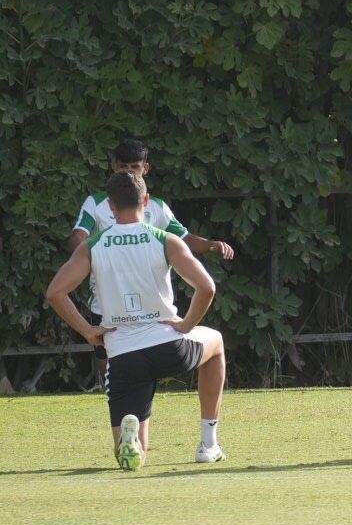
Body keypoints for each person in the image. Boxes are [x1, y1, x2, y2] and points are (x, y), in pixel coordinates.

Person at [45, 171, 228, 470]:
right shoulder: (165, 239)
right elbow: (207, 288)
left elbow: (55, 293)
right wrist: (186, 325)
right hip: (169, 346)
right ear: (146, 201)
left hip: (123, 355)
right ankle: (208, 445)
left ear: (110, 206)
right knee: (216, 342)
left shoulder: (93, 245)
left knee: (130, 459)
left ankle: (131, 442)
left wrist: (88, 331)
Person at [66, 138, 236, 385]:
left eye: (134, 167)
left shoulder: (157, 207)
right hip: (106, 301)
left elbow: (184, 239)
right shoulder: (96, 203)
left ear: (145, 168)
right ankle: (113, 393)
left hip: (150, 305)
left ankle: (130, 400)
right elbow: (77, 239)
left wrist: (211, 244)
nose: (128, 172)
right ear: (113, 167)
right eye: (123, 166)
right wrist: (92, 253)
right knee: (109, 369)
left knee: (141, 361)